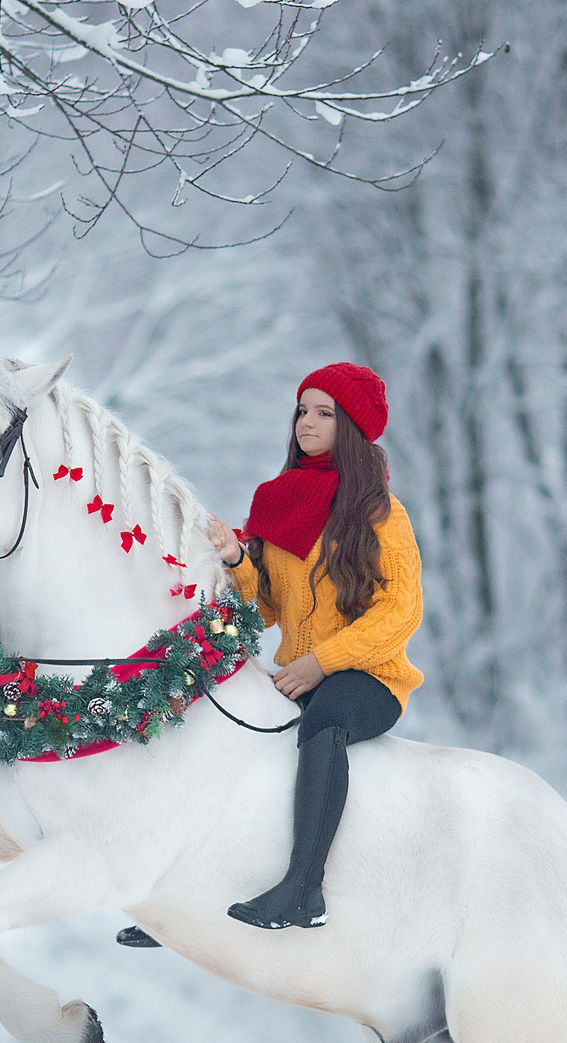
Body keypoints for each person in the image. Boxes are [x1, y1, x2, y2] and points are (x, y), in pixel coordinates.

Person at [119, 362, 425, 942]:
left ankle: (304, 890)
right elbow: (263, 611)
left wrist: (321, 662)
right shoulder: (280, 502)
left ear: (352, 429)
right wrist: (238, 561)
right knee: (219, 726)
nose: (305, 421)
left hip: (368, 678)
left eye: (323, 412)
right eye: (302, 409)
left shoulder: (382, 515)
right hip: (299, 674)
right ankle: (189, 895)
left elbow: (400, 610)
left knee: (329, 714)